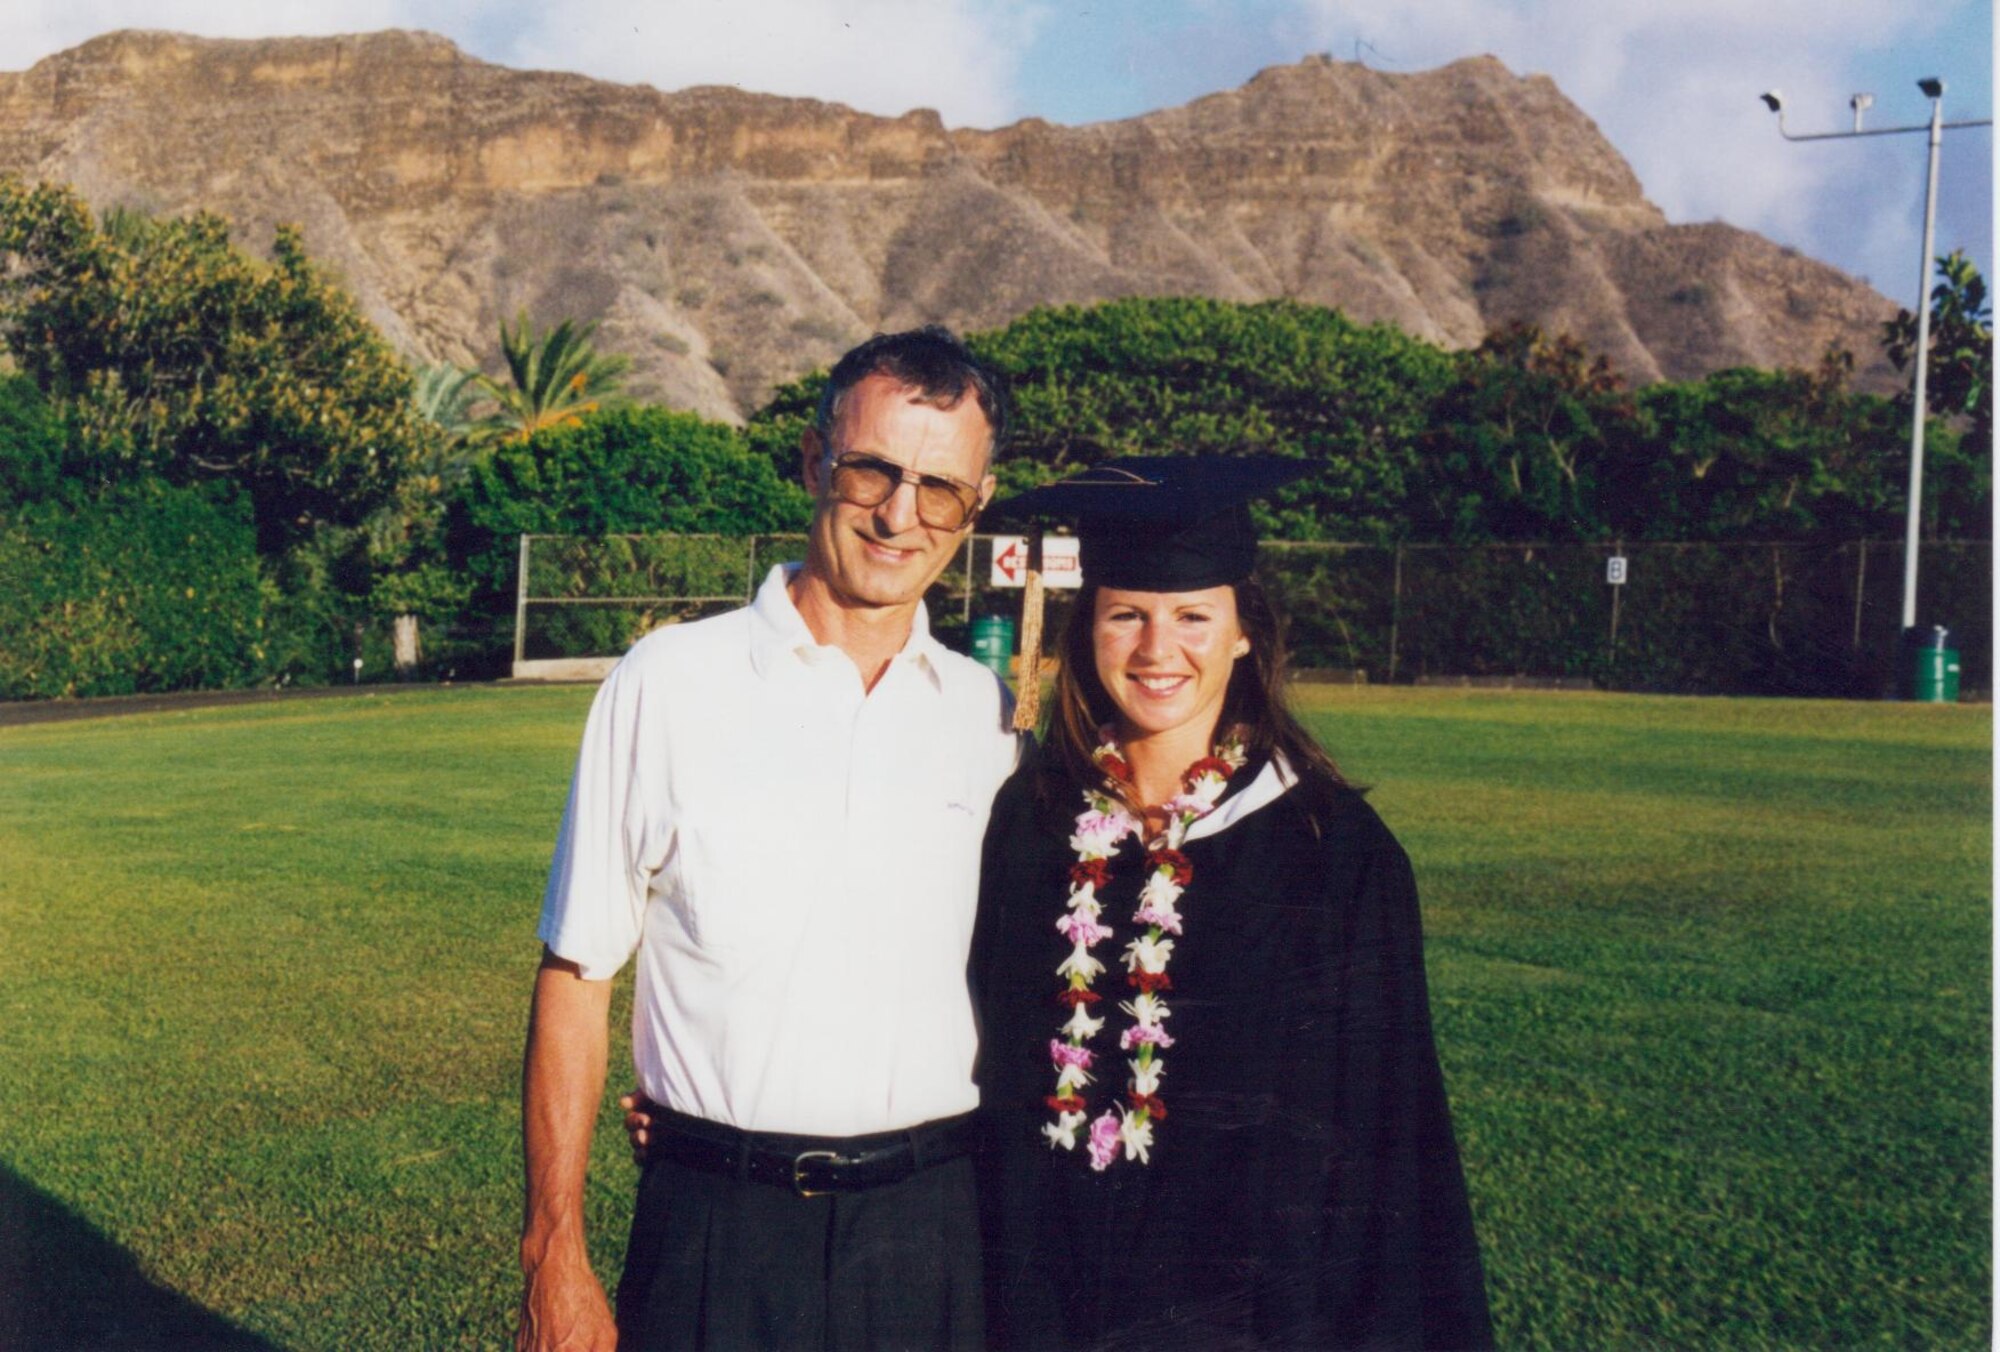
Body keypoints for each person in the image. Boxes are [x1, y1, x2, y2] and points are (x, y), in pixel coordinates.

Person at [518, 326, 1021, 1352]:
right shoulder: (667, 681)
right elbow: (576, 970)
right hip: (719, 1230)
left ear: (976, 503)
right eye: (872, 468)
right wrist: (552, 1252)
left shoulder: (991, 718)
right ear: (812, 459)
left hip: (930, 1232)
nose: (899, 514)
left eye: (940, 489)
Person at [969, 457, 1492, 1349]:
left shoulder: (1332, 852)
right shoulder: (1030, 821)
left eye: (1193, 617)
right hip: (1037, 1304)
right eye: (1125, 614)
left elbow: (1389, 1133)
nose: (1155, 650)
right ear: (1086, 629)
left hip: (1250, 1318)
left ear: (1245, 632)